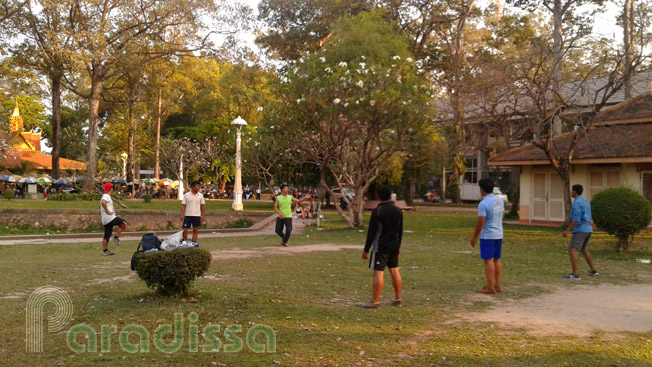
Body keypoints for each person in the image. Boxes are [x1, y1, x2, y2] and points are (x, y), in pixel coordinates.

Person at [359, 185, 403, 308]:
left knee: (378, 273)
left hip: (380, 247)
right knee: (394, 271)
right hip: (394, 245)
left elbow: (372, 232)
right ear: (390, 196)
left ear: (378, 196)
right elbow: (400, 230)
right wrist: (398, 245)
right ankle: (398, 298)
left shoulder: (377, 211)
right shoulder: (398, 211)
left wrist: (366, 250)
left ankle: (375, 302)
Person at [470, 178, 504, 294]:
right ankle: (497, 285)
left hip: (488, 236)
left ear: (482, 190)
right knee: (496, 259)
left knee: (488, 260)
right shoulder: (499, 201)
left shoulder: (483, 204)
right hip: (499, 234)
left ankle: (490, 288)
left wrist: (474, 237)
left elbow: (481, 222)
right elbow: (500, 216)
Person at [562, 184, 598, 279]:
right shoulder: (586, 202)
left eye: (572, 190)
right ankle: (593, 270)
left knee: (572, 249)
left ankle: (575, 274)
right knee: (583, 249)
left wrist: (567, 230)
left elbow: (576, 221)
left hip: (581, 229)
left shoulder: (577, 204)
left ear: (575, 192)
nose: (571, 192)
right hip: (588, 229)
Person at [100, 183, 126, 256]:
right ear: (110, 189)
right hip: (109, 217)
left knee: (107, 235)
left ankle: (105, 251)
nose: (113, 189)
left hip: (105, 219)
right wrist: (107, 211)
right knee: (123, 223)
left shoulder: (105, 196)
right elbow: (103, 202)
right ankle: (116, 237)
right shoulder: (106, 196)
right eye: (112, 188)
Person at [181, 180, 206, 246]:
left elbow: (202, 206)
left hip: (197, 215)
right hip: (188, 215)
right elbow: (183, 205)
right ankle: (184, 242)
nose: (199, 188)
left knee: (195, 230)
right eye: (197, 186)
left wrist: (202, 216)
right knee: (185, 230)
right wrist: (182, 215)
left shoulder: (200, 196)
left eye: (199, 186)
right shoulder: (187, 195)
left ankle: (193, 243)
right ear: (193, 187)